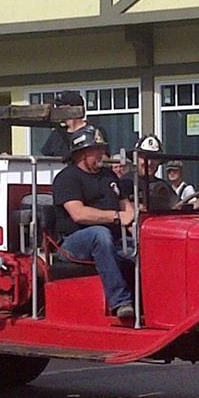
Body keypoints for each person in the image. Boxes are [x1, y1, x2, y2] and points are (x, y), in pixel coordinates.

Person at [51, 125, 136, 319]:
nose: (101, 154)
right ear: (81, 153)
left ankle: (151, 305)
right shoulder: (67, 178)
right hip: (72, 242)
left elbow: (127, 208)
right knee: (100, 234)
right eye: (95, 150)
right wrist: (116, 217)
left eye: (101, 149)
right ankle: (120, 302)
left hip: (113, 239)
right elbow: (78, 214)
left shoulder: (109, 176)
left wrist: (138, 231)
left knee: (145, 246)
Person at [119, 134, 176, 211]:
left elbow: (178, 206)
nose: (149, 163)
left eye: (154, 158)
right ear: (136, 159)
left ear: (159, 161)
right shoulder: (125, 183)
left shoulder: (164, 186)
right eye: (144, 158)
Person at [40, 90, 92, 160]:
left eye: (59, 106)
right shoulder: (57, 133)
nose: (56, 110)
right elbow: (46, 162)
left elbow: (103, 157)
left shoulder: (92, 131)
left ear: (71, 108)